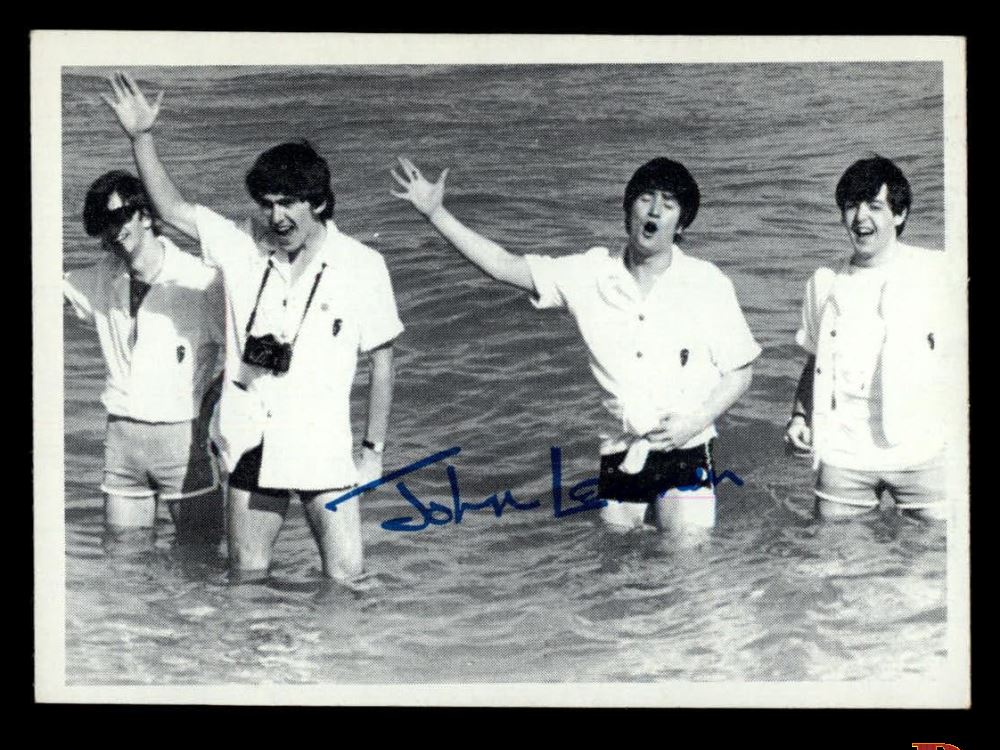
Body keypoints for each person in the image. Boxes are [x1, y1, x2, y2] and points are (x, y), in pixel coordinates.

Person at [103, 72, 403, 585]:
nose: (276, 216)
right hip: (250, 438)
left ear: (318, 203)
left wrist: (373, 454)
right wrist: (142, 138)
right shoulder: (241, 248)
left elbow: (382, 362)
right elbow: (171, 209)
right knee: (245, 581)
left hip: (322, 443)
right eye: (266, 203)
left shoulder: (361, 265)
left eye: (287, 202)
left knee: (346, 581)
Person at [391, 156, 760, 542]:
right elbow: (503, 265)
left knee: (688, 555)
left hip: (686, 444)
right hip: (620, 448)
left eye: (668, 204)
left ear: (681, 224)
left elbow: (740, 371)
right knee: (620, 563)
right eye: (645, 199)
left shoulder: (705, 282)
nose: (654, 210)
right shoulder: (589, 274)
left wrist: (695, 422)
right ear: (628, 211)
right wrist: (436, 214)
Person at [785, 156, 951, 523]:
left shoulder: (938, 271)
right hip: (844, 452)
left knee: (932, 553)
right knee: (836, 554)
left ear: (899, 214)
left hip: (923, 449)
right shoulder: (824, 282)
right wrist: (799, 416)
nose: (860, 217)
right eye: (851, 206)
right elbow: (815, 361)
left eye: (874, 206)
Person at [64, 170, 225, 548]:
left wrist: (208, 410)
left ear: (147, 216)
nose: (113, 231)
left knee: (200, 563)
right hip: (122, 442)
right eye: (103, 223)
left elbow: (242, 358)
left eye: (120, 217)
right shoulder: (102, 277)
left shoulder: (200, 281)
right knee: (123, 566)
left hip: (183, 440)